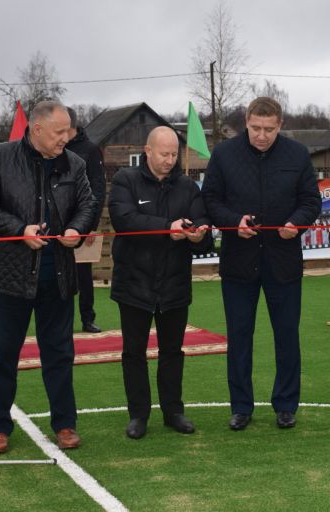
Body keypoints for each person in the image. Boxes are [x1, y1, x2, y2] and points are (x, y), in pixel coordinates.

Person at [0, 100, 98, 454]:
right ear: (37, 129)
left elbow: (88, 204)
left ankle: (65, 424)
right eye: (59, 132)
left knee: (59, 354)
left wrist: (77, 228)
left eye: (68, 130)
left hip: (58, 276)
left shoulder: (74, 163)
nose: (66, 137)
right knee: (3, 355)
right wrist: (18, 230)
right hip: (9, 277)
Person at [202, 97, 322, 431]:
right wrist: (233, 222)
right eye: (256, 128)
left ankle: (286, 405)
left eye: (269, 129)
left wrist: (297, 222)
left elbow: (311, 200)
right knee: (239, 337)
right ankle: (241, 407)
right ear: (246, 122)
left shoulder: (297, 155)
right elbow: (210, 199)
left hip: (283, 262)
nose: (262, 135)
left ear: (280, 125)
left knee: (287, 336)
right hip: (238, 263)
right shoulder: (224, 154)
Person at [108, 126, 213, 440]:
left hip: (175, 282)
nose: (169, 160)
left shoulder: (188, 186)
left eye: (174, 154)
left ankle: (173, 411)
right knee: (134, 353)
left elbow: (202, 223)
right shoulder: (125, 180)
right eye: (164, 154)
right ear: (148, 151)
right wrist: (168, 227)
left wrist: (198, 234)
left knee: (172, 351)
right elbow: (125, 220)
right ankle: (138, 415)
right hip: (133, 282)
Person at [66, 107, 107, 333]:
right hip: (58, 224)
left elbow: (98, 189)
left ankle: (87, 318)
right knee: (60, 276)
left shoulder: (90, 150)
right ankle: (62, 321)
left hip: (83, 223)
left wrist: (91, 225)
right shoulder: (55, 148)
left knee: (83, 275)